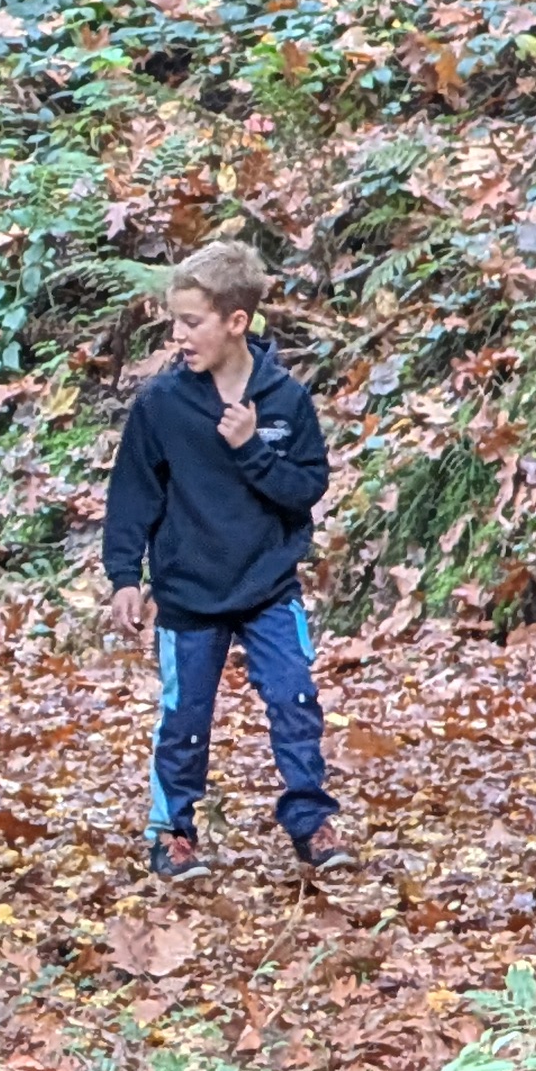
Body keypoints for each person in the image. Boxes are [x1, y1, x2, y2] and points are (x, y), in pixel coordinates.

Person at [102, 236, 344, 878]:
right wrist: (127, 576)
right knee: (184, 717)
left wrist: (251, 450)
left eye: (192, 322)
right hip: (188, 593)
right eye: (175, 321)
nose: (180, 335)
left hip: (269, 586)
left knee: (295, 698)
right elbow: (132, 494)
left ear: (236, 322)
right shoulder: (162, 403)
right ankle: (172, 832)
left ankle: (311, 822)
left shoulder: (285, 400)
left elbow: (307, 488)